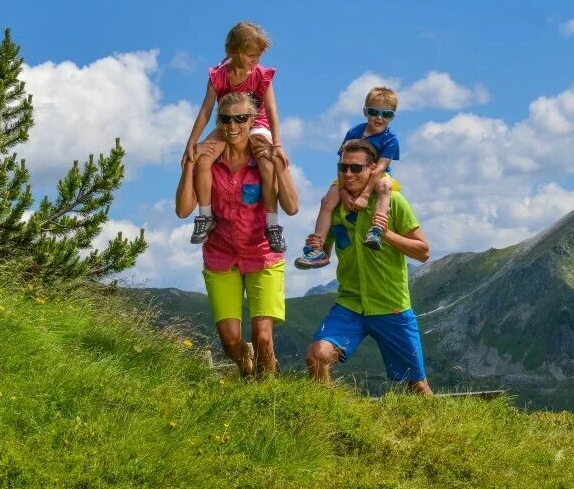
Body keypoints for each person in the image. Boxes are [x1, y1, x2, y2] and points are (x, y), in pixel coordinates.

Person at [176, 91, 299, 377]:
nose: (233, 126)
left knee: (263, 337)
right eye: (226, 119)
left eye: (241, 119)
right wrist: (190, 164)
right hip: (220, 256)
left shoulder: (263, 162)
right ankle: (245, 366)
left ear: (253, 121)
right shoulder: (209, 161)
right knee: (231, 341)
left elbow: (292, 207)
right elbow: (183, 210)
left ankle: (268, 396)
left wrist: (279, 164)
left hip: (262, 254)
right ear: (218, 121)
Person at [305, 139, 433, 395]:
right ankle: (329, 420)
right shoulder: (334, 208)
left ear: (373, 169)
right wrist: (315, 246)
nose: (348, 174)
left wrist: (387, 235)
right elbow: (324, 255)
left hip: (391, 305)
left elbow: (423, 252)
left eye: (356, 168)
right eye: (343, 168)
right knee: (317, 356)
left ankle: (443, 433)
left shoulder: (394, 202)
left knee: (416, 385)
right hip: (350, 304)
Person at [182, 22, 288, 253]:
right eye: (251, 55)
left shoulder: (261, 75)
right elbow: (206, 110)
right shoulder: (219, 75)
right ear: (234, 51)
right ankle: (205, 216)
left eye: (259, 55)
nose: (255, 59)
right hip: (228, 124)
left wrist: (276, 143)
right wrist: (191, 143)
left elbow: (271, 111)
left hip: (257, 123)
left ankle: (272, 225)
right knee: (203, 159)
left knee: (266, 164)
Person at [295, 86, 400, 269]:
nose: (379, 118)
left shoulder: (391, 139)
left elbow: (379, 169)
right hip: (350, 173)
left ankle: (375, 230)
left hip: (377, 175)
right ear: (365, 112)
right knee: (327, 201)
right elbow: (342, 163)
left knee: (384, 187)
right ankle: (317, 246)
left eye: (387, 114)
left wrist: (365, 195)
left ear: (393, 116)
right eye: (374, 112)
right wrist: (342, 190)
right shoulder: (354, 132)